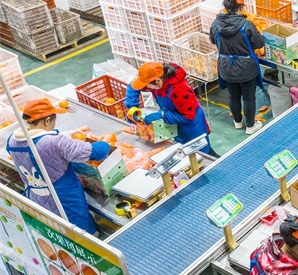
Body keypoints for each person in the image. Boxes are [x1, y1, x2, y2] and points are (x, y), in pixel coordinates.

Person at [7, 99, 111, 234]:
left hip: (36, 198)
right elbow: (97, 152)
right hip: (65, 201)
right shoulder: (56, 143)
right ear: (47, 121)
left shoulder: (12, 140)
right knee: (82, 235)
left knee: (54, 232)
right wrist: (106, 144)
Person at [124, 62, 214, 155]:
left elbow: (187, 116)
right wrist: (133, 108)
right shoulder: (153, 77)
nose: (146, 87)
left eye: (148, 85)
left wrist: (162, 115)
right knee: (181, 149)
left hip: (191, 125)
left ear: (158, 81)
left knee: (199, 154)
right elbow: (133, 87)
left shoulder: (179, 90)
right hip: (174, 118)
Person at [209, 0, 266, 135]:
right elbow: (259, 44)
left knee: (233, 95)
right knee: (248, 98)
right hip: (246, 68)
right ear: (240, 7)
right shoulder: (246, 25)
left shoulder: (216, 24)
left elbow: (212, 40)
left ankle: (238, 122)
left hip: (225, 67)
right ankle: (251, 126)